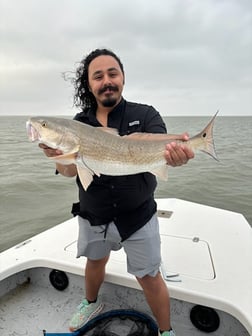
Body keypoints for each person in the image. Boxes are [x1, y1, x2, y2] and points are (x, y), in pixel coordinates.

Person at [39, 48, 194, 336]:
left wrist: (177, 155)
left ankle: (166, 331)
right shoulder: (78, 123)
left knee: (149, 276)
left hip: (138, 217)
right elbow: (70, 171)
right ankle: (90, 302)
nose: (106, 81)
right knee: (94, 263)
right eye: (98, 76)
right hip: (93, 214)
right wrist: (59, 156)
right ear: (89, 84)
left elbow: (162, 147)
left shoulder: (145, 115)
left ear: (122, 77)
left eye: (112, 73)